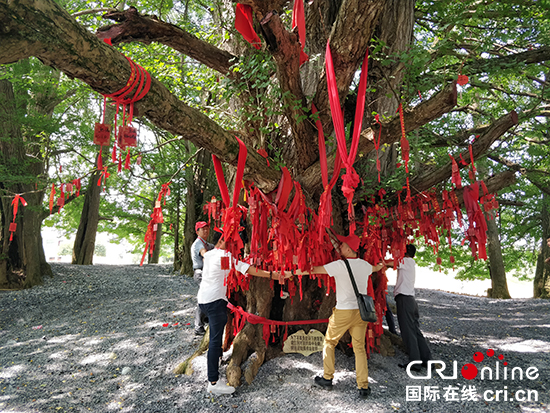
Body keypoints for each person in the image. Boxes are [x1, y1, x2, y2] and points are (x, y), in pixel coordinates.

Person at [295, 233, 384, 399]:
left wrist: (295, 269)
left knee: (329, 342)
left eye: (343, 245)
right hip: (361, 313)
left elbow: (314, 270)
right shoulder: (365, 265)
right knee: (359, 348)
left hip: (343, 311)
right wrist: (381, 265)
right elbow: (375, 268)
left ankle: (327, 378)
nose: (340, 247)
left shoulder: (339, 265)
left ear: (349, 249)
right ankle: (363, 386)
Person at [198, 229, 285, 395]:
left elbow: (202, 252)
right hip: (215, 303)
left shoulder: (209, 254)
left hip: (203, 300)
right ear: (222, 241)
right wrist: (275, 275)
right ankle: (213, 382)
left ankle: (216, 362)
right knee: (216, 340)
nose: (234, 244)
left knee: (217, 336)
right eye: (231, 240)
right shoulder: (225, 256)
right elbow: (251, 270)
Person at [386, 244, 432, 372]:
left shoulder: (405, 261)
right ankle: (427, 360)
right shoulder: (410, 263)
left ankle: (415, 362)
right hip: (410, 299)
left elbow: (389, 262)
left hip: (404, 299)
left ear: (405, 252)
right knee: (415, 331)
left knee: (407, 332)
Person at [191, 221, 214, 335]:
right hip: (200, 273)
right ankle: (198, 326)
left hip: (205, 273)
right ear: (197, 231)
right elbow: (204, 253)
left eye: (206, 228)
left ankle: (206, 318)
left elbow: (214, 248)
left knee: (208, 296)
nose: (205, 230)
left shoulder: (206, 243)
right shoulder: (198, 244)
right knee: (204, 298)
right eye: (202, 229)